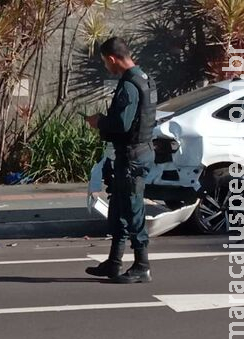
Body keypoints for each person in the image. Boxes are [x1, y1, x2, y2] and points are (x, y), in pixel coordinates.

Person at [83, 37, 157, 283]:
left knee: (132, 209)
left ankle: (141, 265)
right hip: (138, 152)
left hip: (132, 156)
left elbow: (122, 124)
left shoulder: (129, 85)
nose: (107, 67)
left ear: (113, 59)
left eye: (106, 62)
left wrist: (99, 122)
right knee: (120, 207)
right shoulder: (144, 78)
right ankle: (114, 262)